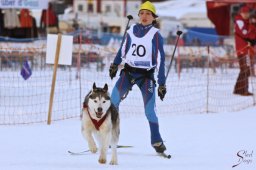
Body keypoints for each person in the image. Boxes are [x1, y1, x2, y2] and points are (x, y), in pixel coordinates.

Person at [109, 1, 167, 153]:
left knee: (149, 111)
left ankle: (156, 141)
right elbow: (123, 49)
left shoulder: (156, 35)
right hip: (128, 73)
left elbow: (161, 60)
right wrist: (115, 64)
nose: (144, 16)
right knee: (113, 101)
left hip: (146, 76)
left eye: (148, 13)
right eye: (142, 13)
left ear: (154, 17)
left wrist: (162, 84)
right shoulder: (131, 30)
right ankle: (112, 136)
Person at [233, 5, 255, 96]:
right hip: (242, 49)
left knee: (244, 70)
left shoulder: (246, 21)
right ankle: (243, 90)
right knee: (245, 70)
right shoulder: (240, 21)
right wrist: (252, 25)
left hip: (246, 48)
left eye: (247, 13)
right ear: (241, 13)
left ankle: (238, 89)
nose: (246, 15)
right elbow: (245, 34)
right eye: (244, 13)